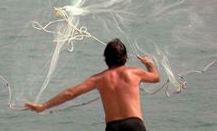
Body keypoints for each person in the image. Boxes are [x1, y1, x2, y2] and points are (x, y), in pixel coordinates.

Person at [25, 38, 160, 131]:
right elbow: (155, 78)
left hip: (113, 127)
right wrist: (149, 64)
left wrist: (43, 106)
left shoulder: (99, 79)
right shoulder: (135, 73)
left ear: (105, 58)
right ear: (125, 58)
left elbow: (71, 93)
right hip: (135, 125)